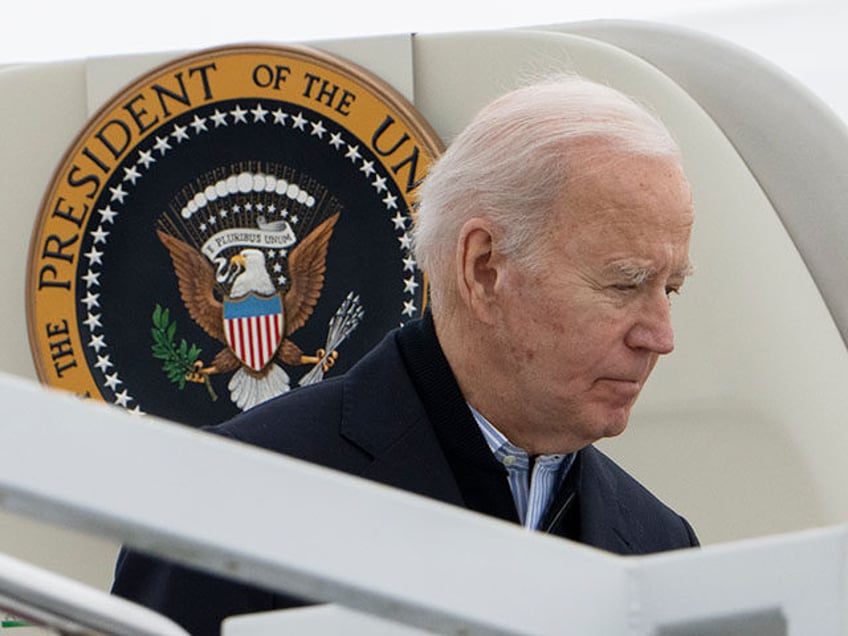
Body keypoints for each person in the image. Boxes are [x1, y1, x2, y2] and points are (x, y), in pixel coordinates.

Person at [112, 74, 699, 634]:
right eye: (624, 284)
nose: (660, 336)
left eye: (668, 290)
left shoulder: (661, 546)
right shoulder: (230, 497)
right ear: (484, 268)